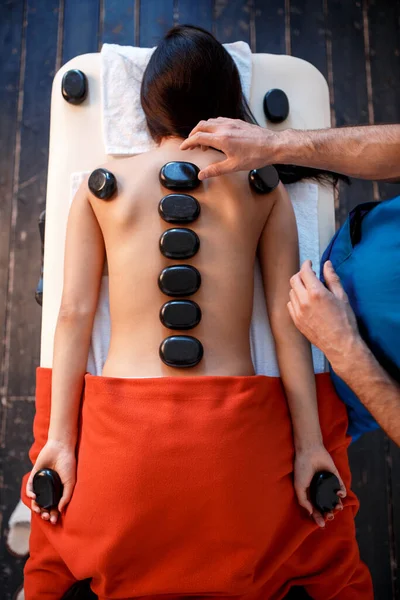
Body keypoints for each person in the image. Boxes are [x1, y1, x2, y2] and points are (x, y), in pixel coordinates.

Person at [21, 25, 372, 600]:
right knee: (316, 553)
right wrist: (311, 445)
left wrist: (60, 440)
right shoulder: (262, 189)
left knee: (58, 563)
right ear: (227, 105)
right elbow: (288, 323)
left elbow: (73, 315)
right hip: (236, 444)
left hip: (120, 445)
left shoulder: (99, 189)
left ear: (146, 110)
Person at [181, 118, 400, 446]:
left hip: (350, 386)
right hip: (349, 249)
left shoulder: (270, 197)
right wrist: (275, 145)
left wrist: (344, 348)